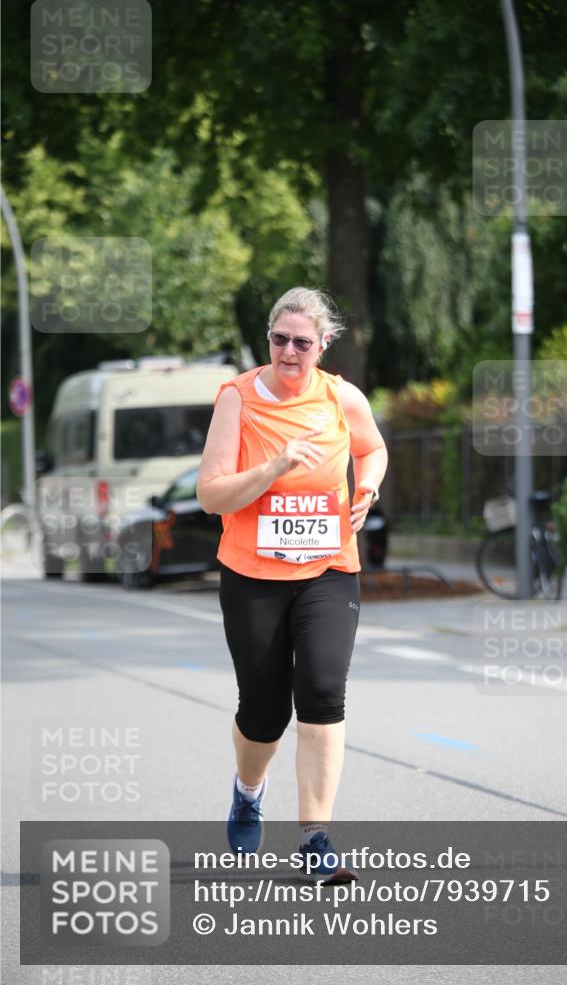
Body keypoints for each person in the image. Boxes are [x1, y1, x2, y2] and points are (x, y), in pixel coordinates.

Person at [197, 287, 388, 882]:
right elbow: (210, 495)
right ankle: (248, 790)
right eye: (279, 338)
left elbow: (374, 447)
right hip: (253, 574)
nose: (287, 350)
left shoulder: (341, 397)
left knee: (324, 690)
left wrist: (368, 488)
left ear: (323, 344)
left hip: (330, 567)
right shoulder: (238, 398)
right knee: (263, 708)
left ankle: (316, 837)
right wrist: (276, 464)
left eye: (302, 342)